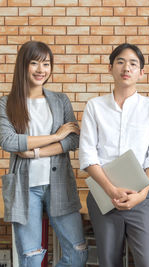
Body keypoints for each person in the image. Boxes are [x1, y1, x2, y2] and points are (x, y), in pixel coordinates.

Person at [0, 41, 87, 266]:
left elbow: (74, 138)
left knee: (77, 253)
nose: (41, 70)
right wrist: (55, 136)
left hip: (60, 184)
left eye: (46, 64)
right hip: (24, 188)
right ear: (23, 66)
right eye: (35, 63)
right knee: (31, 257)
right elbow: (9, 141)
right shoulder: (6, 103)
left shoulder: (60, 100)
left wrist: (36, 152)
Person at [79, 43, 149, 267]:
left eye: (133, 64)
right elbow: (88, 154)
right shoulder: (94, 106)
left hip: (141, 196)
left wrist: (141, 194)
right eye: (120, 62)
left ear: (141, 72)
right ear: (110, 68)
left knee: (146, 261)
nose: (126, 67)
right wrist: (111, 189)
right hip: (103, 196)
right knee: (109, 262)